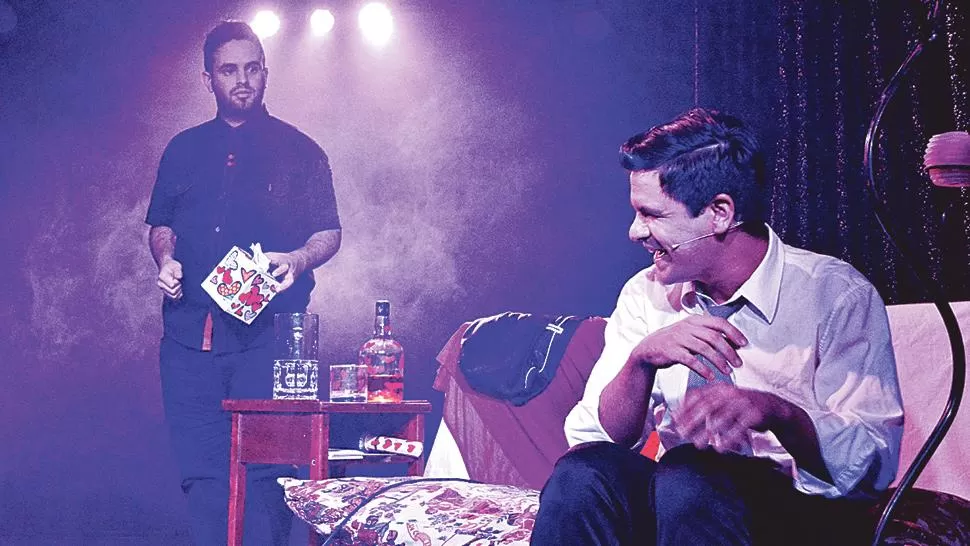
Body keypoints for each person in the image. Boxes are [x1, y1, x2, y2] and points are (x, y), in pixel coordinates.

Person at [531, 108, 903, 545]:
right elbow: (596, 438)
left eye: (651, 215)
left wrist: (778, 412)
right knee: (582, 474)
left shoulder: (836, 294)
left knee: (690, 474)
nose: (635, 232)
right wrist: (640, 362)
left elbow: (871, 462)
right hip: (681, 500)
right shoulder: (645, 293)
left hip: (792, 510)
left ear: (720, 213)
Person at [145, 21, 341, 545]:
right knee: (202, 476)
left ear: (265, 73)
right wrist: (166, 260)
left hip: (268, 341)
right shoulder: (183, 149)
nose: (242, 80)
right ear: (208, 78)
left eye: (252, 69)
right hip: (189, 341)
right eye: (229, 70)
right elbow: (161, 225)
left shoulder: (301, 150)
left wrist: (299, 259)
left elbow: (329, 231)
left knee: (270, 474)